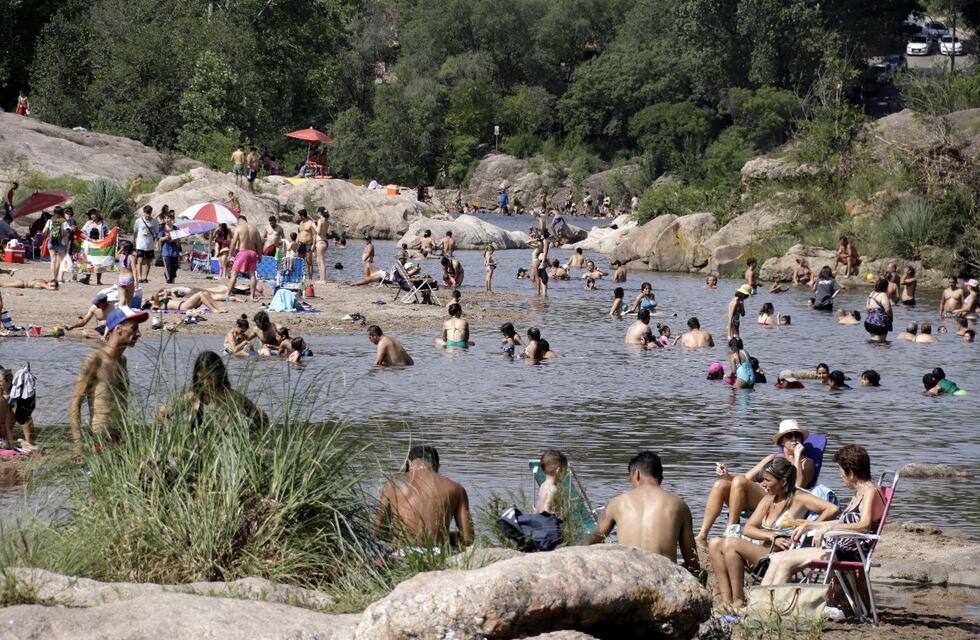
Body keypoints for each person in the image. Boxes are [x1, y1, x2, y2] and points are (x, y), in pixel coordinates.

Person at [709, 456, 839, 610]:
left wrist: (811, 526)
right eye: (763, 480)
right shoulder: (769, 499)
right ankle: (727, 599)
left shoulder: (799, 498)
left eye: (767, 480)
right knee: (714, 543)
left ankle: (738, 602)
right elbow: (748, 528)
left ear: (783, 482)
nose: (763, 484)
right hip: (764, 549)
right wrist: (771, 536)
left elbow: (833, 509)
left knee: (730, 544)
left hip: (778, 557)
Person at [761, 445, 886, 586]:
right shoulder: (860, 492)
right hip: (835, 547)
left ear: (851, 473)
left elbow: (864, 526)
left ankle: (774, 605)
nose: (841, 476)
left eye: (841, 471)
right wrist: (811, 525)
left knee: (786, 561)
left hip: (846, 553)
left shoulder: (870, 491)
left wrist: (825, 529)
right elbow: (844, 523)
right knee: (777, 558)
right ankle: (760, 603)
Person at [695, 419, 818, 544]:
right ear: (782, 441)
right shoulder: (773, 458)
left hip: (779, 499)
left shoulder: (807, 463)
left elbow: (797, 486)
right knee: (720, 484)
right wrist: (727, 475)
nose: (794, 439)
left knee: (739, 481)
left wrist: (797, 457)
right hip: (761, 494)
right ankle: (702, 535)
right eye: (789, 436)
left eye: (797, 435)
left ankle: (730, 531)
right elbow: (746, 478)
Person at [580, 452, 700, 574]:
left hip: (628, 575)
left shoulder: (616, 503)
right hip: (665, 576)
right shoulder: (679, 505)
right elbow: (692, 561)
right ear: (660, 478)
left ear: (636, 474)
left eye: (629, 478)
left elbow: (594, 539)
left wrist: (568, 553)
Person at [69, 306, 148, 456]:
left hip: (120, 439)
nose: (139, 334)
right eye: (134, 328)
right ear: (118, 329)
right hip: (100, 439)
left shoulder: (123, 361)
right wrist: (78, 444)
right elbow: (75, 403)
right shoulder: (95, 359)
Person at [375, 445, 473, 548]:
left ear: (408, 463)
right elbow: (468, 538)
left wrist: (396, 536)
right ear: (437, 466)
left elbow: (378, 531)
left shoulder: (393, 484)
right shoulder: (455, 488)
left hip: (401, 553)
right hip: (436, 555)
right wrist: (444, 536)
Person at [170, 351, 267, 431]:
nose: (205, 383)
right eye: (201, 378)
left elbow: (263, 419)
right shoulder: (191, 396)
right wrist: (175, 429)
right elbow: (161, 414)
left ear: (219, 374)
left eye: (209, 377)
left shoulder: (232, 397)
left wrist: (248, 434)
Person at [227, 215, 262, 301]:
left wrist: (230, 254)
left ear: (239, 221)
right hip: (253, 253)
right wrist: (260, 255)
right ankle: (252, 296)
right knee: (252, 275)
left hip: (243, 252)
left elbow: (234, 242)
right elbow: (259, 244)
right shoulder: (254, 229)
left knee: (234, 274)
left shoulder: (239, 228)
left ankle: (228, 293)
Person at [534, 449, 568, 515]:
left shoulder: (543, 485)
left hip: (538, 519)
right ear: (558, 470)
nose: (565, 473)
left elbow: (538, 507)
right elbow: (546, 509)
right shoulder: (553, 489)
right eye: (565, 470)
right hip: (548, 523)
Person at [43, 208, 71, 282]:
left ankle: (54, 278)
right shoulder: (64, 222)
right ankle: (60, 278)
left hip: (51, 242)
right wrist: (67, 245)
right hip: (61, 244)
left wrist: (48, 235)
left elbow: (44, 232)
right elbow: (65, 235)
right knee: (62, 261)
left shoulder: (49, 221)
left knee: (53, 260)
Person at [133, 205, 158, 283]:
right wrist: (134, 241)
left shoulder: (154, 221)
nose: (148, 215)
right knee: (139, 261)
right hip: (140, 244)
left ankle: (145, 277)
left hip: (150, 244)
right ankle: (139, 278)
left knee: (148, 262)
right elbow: (135, 231)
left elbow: (156, 232)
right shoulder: (138, 221)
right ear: (143, 213)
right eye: (146, 213)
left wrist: (157, 242)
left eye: (149, 213)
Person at [865, 277, 893, 343]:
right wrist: (891, 319)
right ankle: (881, 353)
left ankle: (871, 353)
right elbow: (888, 310)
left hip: (868, 323)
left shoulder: (871, 294)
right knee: (882, 343)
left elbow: (867, 307)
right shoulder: (883, 295)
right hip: (879, 324)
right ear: (885, 287)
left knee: (873, 341)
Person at [149, 289, 225, 313]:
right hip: (183, 306)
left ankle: (218, 308)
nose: (152, 300)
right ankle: (212, 309)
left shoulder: (162, 302)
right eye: (150, 300)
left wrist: (164, 293)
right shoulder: (156, 305)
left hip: (186, 304)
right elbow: (155, 295)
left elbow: (165, 293)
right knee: (200, 294)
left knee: (205, 293)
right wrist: (154, 296)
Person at [159, 212, 180, 284]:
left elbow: (178, 239)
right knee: (168, 266)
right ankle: (169, 280)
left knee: (175, 266)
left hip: (174, 250)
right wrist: (166, 237)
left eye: (168, 218)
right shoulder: (162, 228)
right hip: (166, 250)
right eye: (165, 218)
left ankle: (172, 277)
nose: (167, 219)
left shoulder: (175, 228)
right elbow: (160, 239)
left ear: (171, 219)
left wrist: (174, 239)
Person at [115, 241, 136, 307]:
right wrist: (136, 281)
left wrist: (121, 248)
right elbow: (134, 269)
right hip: (129, 278)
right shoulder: (132, 257)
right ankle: (128, 314)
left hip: (121, 279)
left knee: (122, 299)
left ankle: (120, 314)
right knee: (129, 300)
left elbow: (115, 255)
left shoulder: (120, 256)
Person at [296, 209, 316, 279]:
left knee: (309, 261)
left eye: (299, 216)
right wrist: (297, 240)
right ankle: (299, 276)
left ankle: (310, 278)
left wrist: (313, 244)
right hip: (301, 244)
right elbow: (299, 232)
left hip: (308, 244)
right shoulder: (301, 223)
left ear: (302, 216)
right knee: (299, 261)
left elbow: (314, 234)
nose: (298, 217)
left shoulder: (310, 223)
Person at [315, 208, 330, 283]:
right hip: (325, 241)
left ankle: (323, 279)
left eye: (318, 212)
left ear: (320, 213)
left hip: (320, 242)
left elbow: (318, 232)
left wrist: (314, 226)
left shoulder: (320, 221)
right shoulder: (327, 221)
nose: (317, 214)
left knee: (321, 260)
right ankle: (321, 278)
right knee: (319, 260)